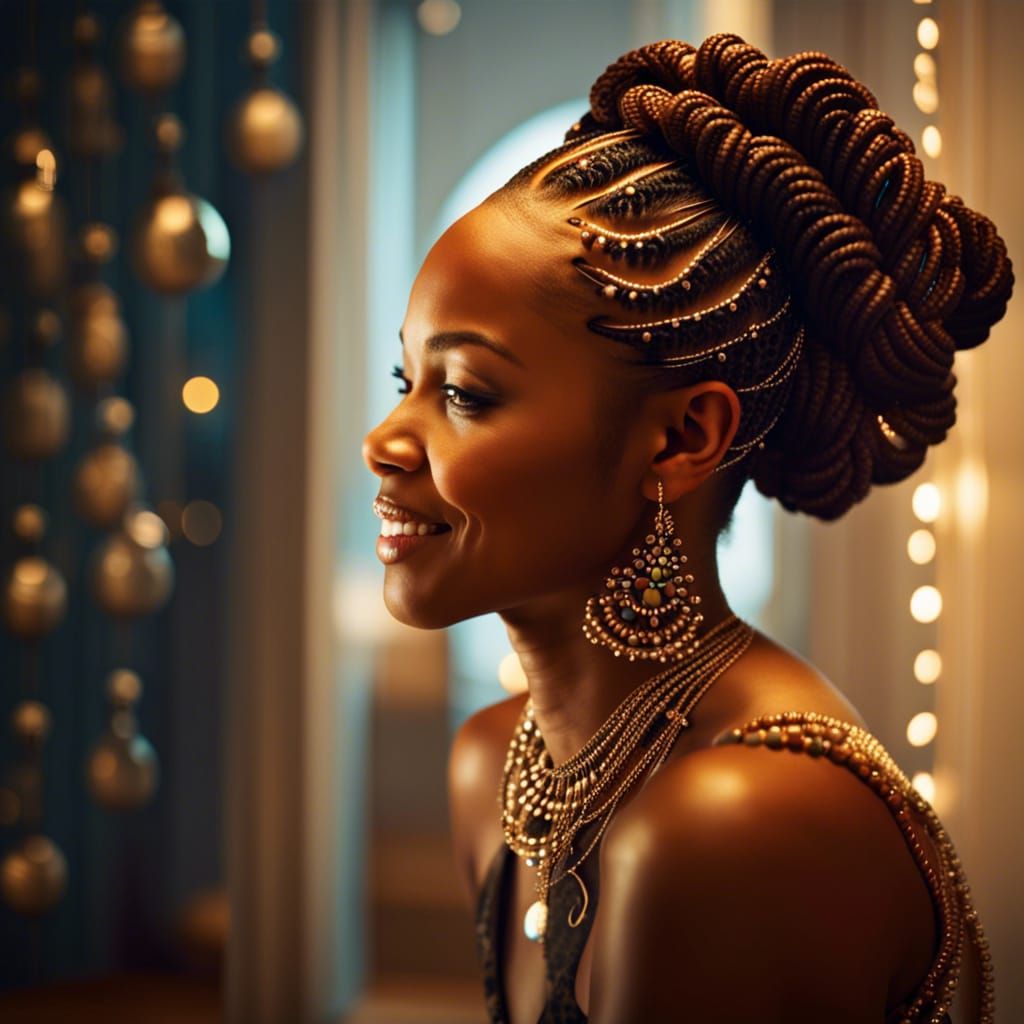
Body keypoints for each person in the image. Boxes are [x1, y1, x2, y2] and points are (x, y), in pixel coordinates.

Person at [361, 35, 1012, 1024]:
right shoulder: (497, 763)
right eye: (405, 379)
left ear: (681, 438)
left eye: (466, 393)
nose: (383, 441)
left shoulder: (733, 825)